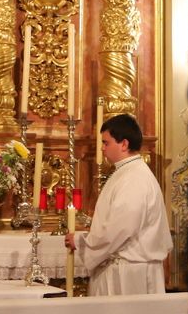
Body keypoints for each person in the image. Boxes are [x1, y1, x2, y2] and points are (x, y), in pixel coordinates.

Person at [64, 113, 172, 295]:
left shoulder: (134, 178)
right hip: (128, 269)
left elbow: (120, 229)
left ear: (124, 144)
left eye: (106, 143)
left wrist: (82, 242)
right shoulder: (128, 172)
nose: (102, 149)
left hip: (128, 275)